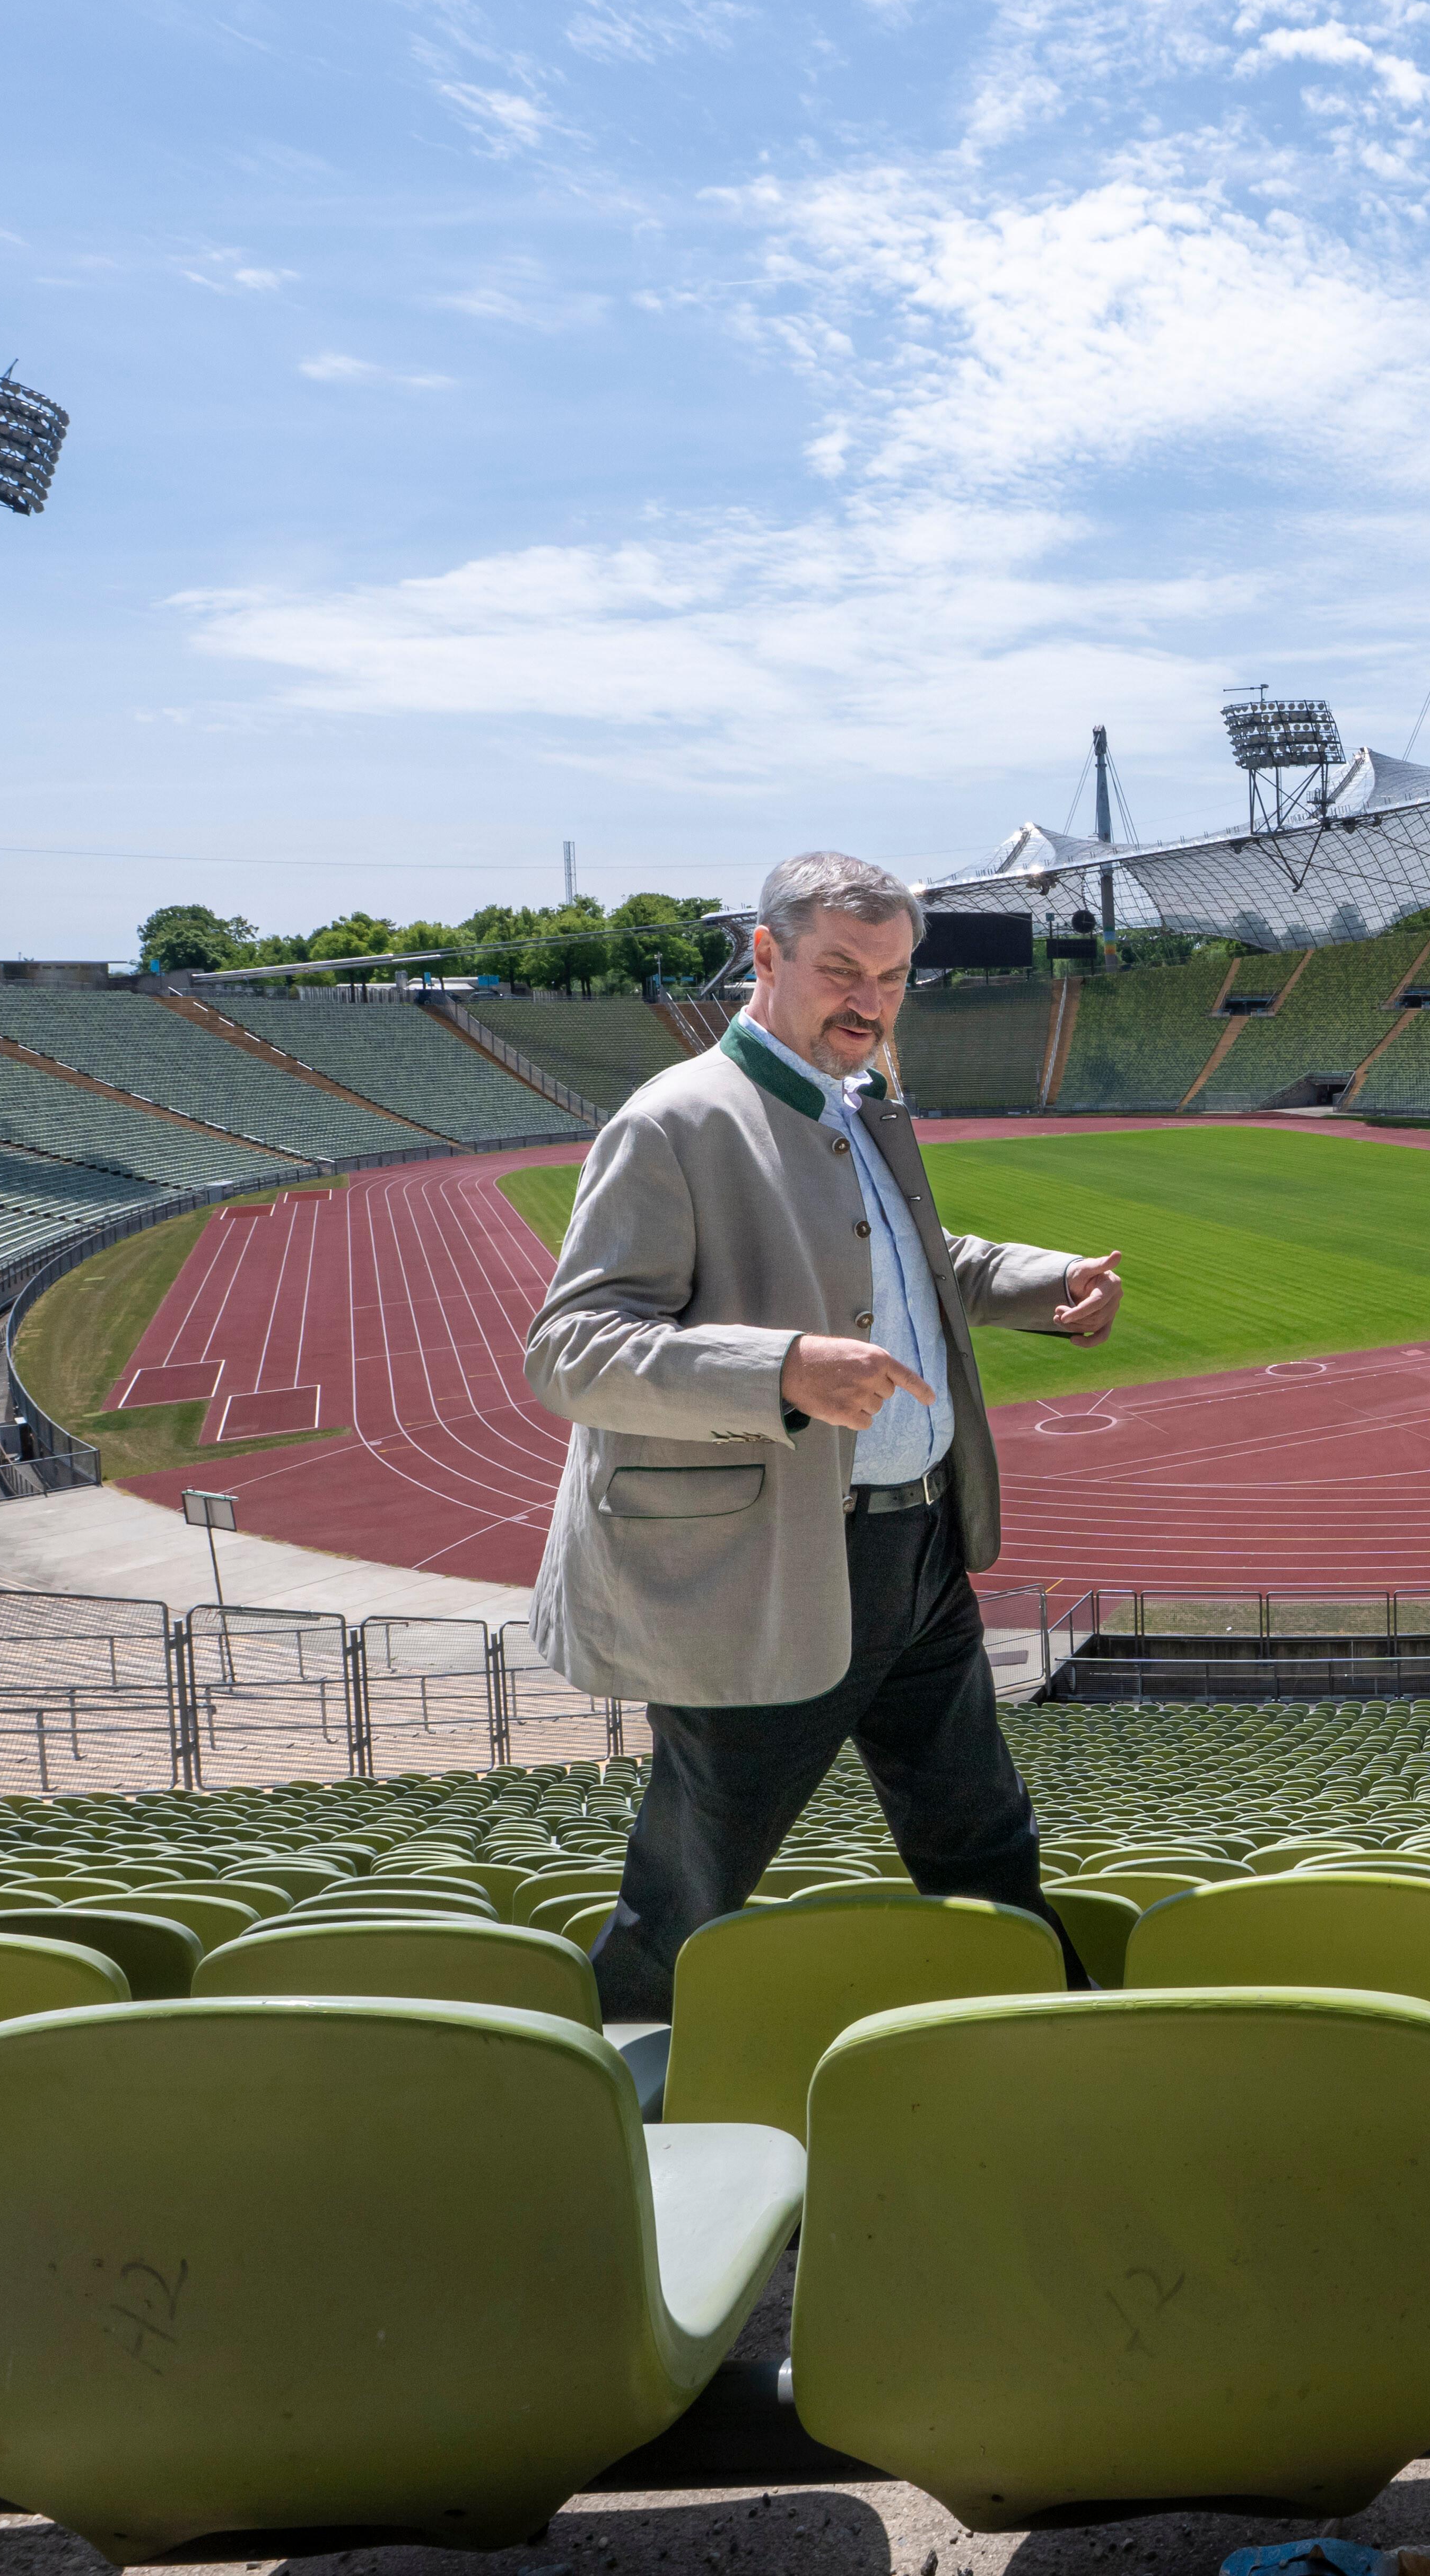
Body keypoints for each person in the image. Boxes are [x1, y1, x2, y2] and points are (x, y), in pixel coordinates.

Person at [530, 850, 1124, 2017]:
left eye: (895, 977)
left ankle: (1071, 2057)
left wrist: (1038, 1282)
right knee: (691, 1888)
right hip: (775, 1566)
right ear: (766, 954)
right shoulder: (676, 1120)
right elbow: (574, 1347)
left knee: (987, 1843)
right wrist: (782, 1370)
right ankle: (592, 2114)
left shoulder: (861, 1101)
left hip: (920, 1553)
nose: (871, 1000)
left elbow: (910, 1265)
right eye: (844, 969)